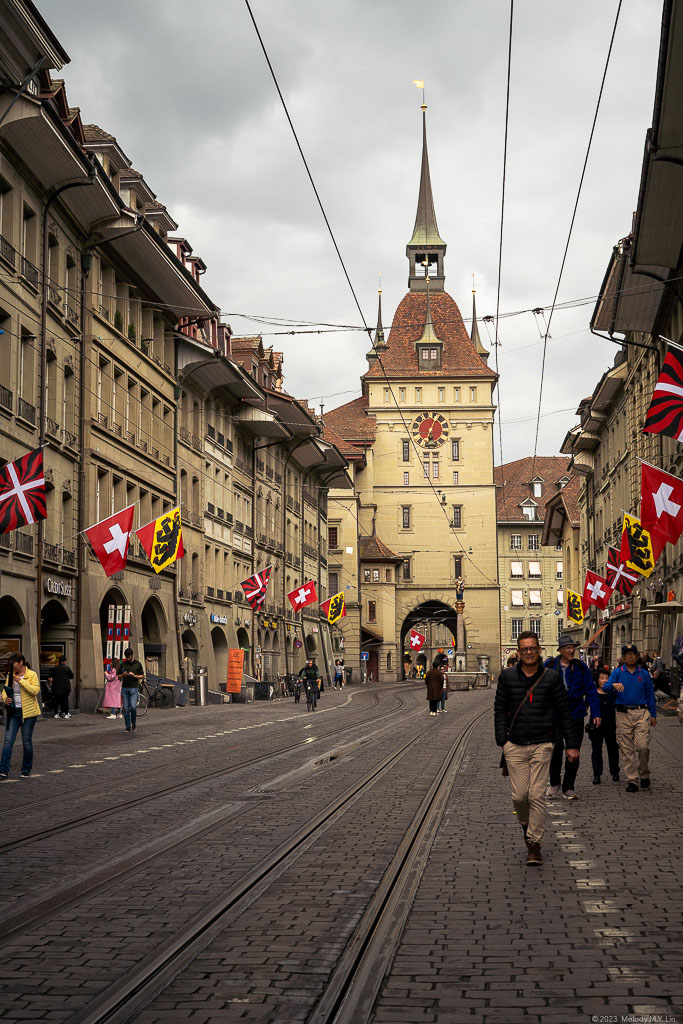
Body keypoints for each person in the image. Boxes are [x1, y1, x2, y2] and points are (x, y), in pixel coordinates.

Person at [494, 631, 580, 866]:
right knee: (520, 796)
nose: (529, 652)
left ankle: (534, 844)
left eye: (533, 648)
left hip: (543, 743)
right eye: (524, 649)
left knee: (536, 795)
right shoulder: (507, 676)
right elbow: (499, 709)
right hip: (515, 744)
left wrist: (572, 744)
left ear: (540, 650)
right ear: (518, 652)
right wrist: (502, 740)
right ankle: (526, 825)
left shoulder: (551, 678)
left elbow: (564, 713)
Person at [544, 636, 601, 801]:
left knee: (573, 752)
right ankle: (555, 782)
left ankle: (569, 786)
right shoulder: (549, 666)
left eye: (572, 648)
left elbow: (591, 690)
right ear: (560, 650)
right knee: (555, 750)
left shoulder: (581, 667)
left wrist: (596, 713)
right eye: (567, 648)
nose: (570, 650)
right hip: (554, 716)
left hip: (575, 715)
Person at [604, 643, 657, 792]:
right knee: (626, 749)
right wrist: (614, 685)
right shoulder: (618, 673)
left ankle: (644, 774)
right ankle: (632, 780)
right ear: (623, 657)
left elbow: (650, 695)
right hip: (622, 714)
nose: (630, 656)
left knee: (643, 746)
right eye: (627, 654)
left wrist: (653, 714)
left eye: (632, 653)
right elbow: (606, 687)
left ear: (637, 655)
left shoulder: (644, 674)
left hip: (641, 713)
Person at [0, 653, 41, 779]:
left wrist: (21, 681)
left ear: (21, 662)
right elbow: (5, 691)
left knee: (26, 742)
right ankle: (3, 770)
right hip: (13, 712)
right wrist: (6, 699)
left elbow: (35, 691)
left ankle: (26, 769)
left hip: (28, 713)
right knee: (8, 741)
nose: (12, 666)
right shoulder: (10, 676)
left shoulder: (31, 675)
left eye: (14, 663)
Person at [588, 668, 619, 784]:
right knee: (596, 750)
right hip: (596, 726)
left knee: (613, 749)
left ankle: (615, 772)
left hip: (611, 725)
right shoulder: (593, 692)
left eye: (607, 678)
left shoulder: (612, 692)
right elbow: (585, 707)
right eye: (602, 678)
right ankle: (597, 774)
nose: (604, 681)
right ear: (597, 679)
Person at [118, 648, 144, 733]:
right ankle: (127, 726)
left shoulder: (138, 664)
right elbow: (118, 676)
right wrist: (123, 674)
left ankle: (134, 724)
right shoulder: (123, 664)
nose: (128, 659)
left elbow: (142, 676)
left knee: (133, 707)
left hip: (134, 688)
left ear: (132, 655)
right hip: (125, 688)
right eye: (126, 657)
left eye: (129, 657)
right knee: (125, 709)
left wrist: (134, 676)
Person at [48, 654, 73, 719]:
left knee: (56, 700)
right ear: (64, 661)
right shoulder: (67, 668)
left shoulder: (54, 669)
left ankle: (56, 713)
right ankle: (66, 713)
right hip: (66, 687)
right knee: (65, 700)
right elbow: (71, 676)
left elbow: (50, 677)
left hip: (56, 687)